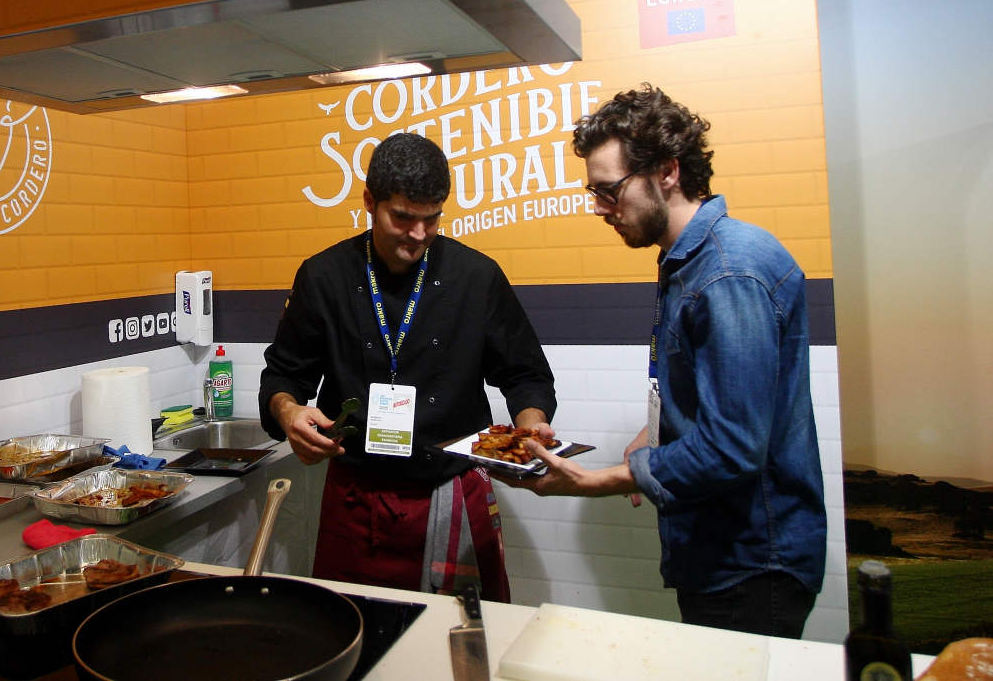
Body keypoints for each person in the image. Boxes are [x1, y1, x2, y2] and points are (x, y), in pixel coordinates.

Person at [504, 83, 826, 638]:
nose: (602, 209)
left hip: (750, 563)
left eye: (610, 191)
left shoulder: (728, 273)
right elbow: (721, 397)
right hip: (715, 552)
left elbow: (734, 446)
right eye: (594, 192)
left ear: (668, 171)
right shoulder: (689, 262)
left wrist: (598, 479)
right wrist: (653, 434)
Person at [259, 131, 557, 603]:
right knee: (353, 640)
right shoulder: (323, 276)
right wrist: (288, 412)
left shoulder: (476, 276)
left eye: (431, 219)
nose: (418, 234)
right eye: (402, 217)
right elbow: (282, 377)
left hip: (452, 490)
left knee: (463, 650)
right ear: (369, 202)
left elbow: (526, 375)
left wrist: (531, 426)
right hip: (355, 499)